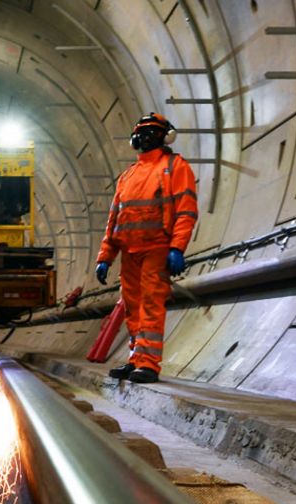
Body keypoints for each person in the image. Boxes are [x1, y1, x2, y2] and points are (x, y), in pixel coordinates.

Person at [95, 113, 198, 383]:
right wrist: (105, 256)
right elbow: (115, 219)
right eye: (141, 131)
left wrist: (177, 247)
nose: (144, 136)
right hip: (129, 252)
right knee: (133, 308)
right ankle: (136, 359)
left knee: (151, 305)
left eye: (151, 131)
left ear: (165, 136)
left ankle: (149, 364)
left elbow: (186, 211)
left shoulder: (175, 167)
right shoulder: (128, 175)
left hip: (156, 249)